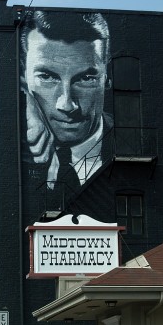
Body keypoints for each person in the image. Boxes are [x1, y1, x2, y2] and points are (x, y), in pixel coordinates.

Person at [20, 10, 113, 192]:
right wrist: (22, 97)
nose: (67, 104)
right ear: (24, 77)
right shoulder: (11, 141)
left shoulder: (127, 146)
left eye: (85, 78)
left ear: (107, 79)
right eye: (46, 77)